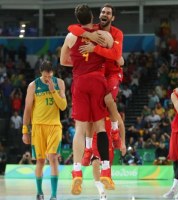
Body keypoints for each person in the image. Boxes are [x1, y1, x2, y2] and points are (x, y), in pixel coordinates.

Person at [60, 4, 118, 198]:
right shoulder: (103, 35)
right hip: (98, 80)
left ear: (77, 19)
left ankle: (77, 171)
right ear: (93, 16)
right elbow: (115, 55)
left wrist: (78, 61)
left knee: (80, 128)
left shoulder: (71, 37)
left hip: (80, 81)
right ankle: (106, 171)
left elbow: (63, 61)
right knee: (101, 127)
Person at [22, 60, 67, 200]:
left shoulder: (59, 83)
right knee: (40, 161)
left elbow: (63, 106)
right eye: (45, 76)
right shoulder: (33, 85)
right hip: (38, 127)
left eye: (49, 76)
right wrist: (25, 130)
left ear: (52, 72)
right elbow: (28, 109)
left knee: (53, 158)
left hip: (54, 126)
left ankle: (53, 195)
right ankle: (39, 192)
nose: (47, 78)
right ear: (41, 73)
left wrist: (53, 91)